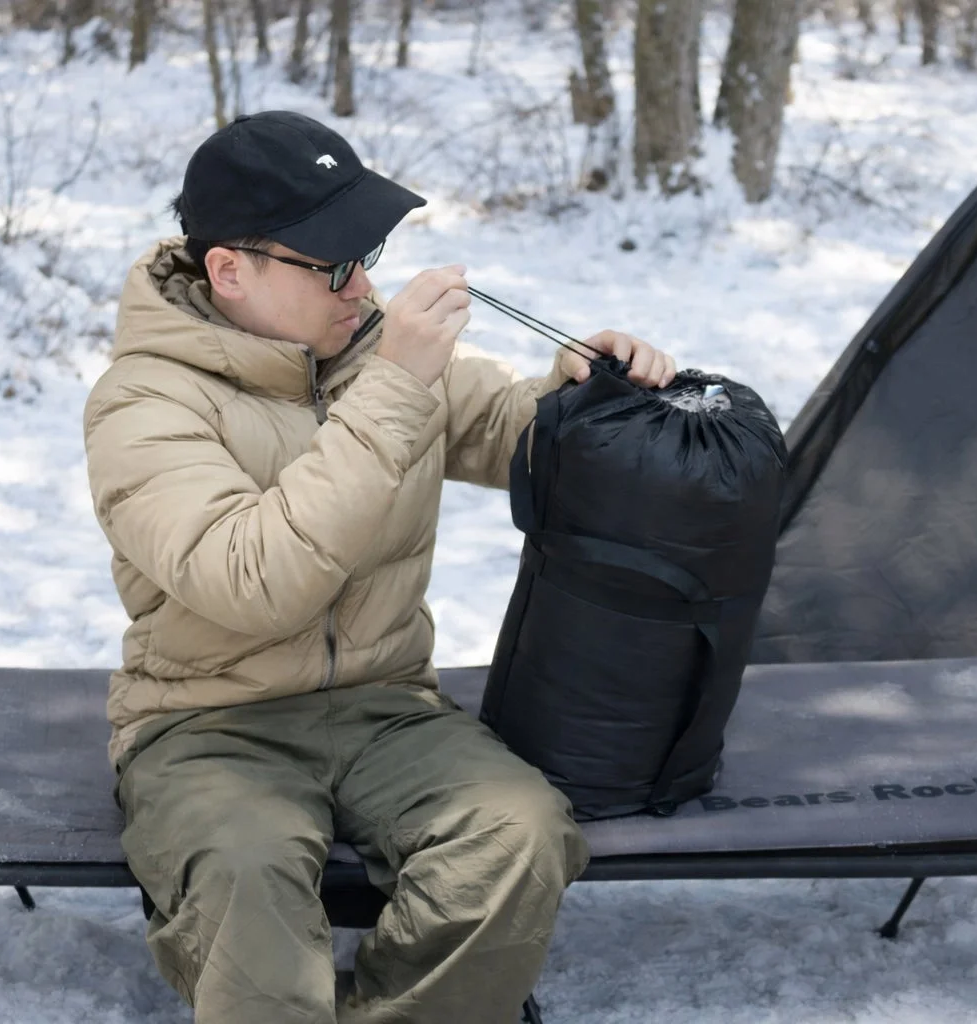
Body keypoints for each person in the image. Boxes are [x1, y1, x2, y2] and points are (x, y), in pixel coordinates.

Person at [82, 110, 677, 1024]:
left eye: (365, 253)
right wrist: (396, 390)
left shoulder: (371, 348)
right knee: (248, 878)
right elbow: (252, 579)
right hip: (206, 719)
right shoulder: (143, 400)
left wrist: (580, 390)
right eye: (330, 265)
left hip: (386, 707)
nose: (360, 285)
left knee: (517, 834)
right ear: (228, 270)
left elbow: (508, 429)